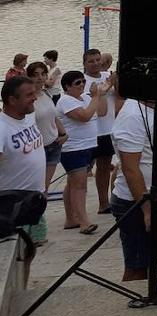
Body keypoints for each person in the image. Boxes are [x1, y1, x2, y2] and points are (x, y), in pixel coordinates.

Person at [110, 89, 157, 281]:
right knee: (138, 267)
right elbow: (130, 168)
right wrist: (147, 209)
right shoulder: (132, 116)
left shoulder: (155, 110)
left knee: (152, 261)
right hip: (137, 202)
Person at [56, 69, 110, 235]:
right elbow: (85, 116)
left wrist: (101, 94)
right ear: (67, 86)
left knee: (73, 183)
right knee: (80, 185)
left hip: (88, 146)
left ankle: (71, 219)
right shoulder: (65, 101)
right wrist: (95, 97)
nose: (82, 85)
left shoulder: (86, 98)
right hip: (73, 148)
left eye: (83, 82)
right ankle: (84, 222)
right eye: (77, 83)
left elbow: (101, 112)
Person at [0, 76, 47, 246]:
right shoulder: (2, 127)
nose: (35, 98)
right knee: (16, 253)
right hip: (12, 207)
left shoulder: (29, 116)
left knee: (32, 250)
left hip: (35, 201)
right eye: (29, 95)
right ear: (12, 100)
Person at [81, 49, 119, 219]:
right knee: (81, 172)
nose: (96, 64)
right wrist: (107, 86)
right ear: (84, 63)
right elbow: (97, 106)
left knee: (104, 167)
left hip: (108, 129)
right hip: (91, 131)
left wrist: (115, 81)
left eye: (98, 60)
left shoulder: (107, 75)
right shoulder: (83, 81)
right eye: (91, 61)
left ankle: (104, 203)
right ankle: (77, 210)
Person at [25, 62, 64, 196]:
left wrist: (63, 133)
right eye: (35, 75)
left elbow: (53, 116)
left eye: (43, 74)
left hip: (54, 144)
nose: (40, 78)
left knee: (45, 188)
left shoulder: (46, 93)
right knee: (36, 189)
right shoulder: (27, 99)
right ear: (28, 77)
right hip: (37, 148)